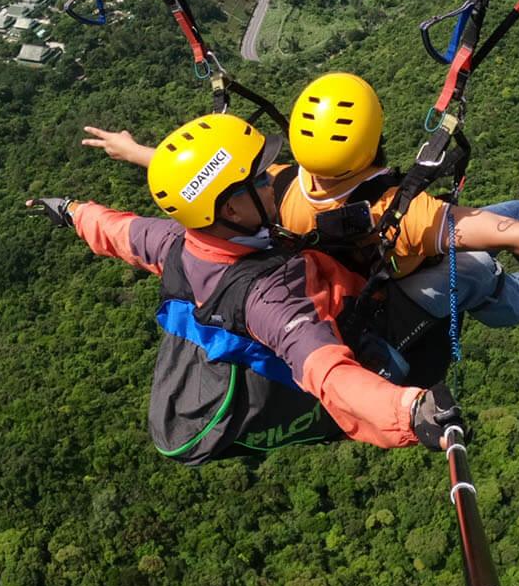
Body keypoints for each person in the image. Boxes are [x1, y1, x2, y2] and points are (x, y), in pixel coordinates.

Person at [80, 72, 519, 329]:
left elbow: (219, 183)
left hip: (369, 262)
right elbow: (509, 240)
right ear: (376, 140)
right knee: (485, 267)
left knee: (513, 213)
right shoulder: (412, 214)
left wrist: (141, 153)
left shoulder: (282, 186)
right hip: (394, 288)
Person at [29, 112, 465, 461]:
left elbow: (115, 230)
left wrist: (69, 210)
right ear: (231, 209)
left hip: (321, 300)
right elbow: (325, 369)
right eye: (258, 180)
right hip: (364, 348)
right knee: (468, 274)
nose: (272, 182)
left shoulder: (178, 242)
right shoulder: (268, 298)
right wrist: (410, 413)